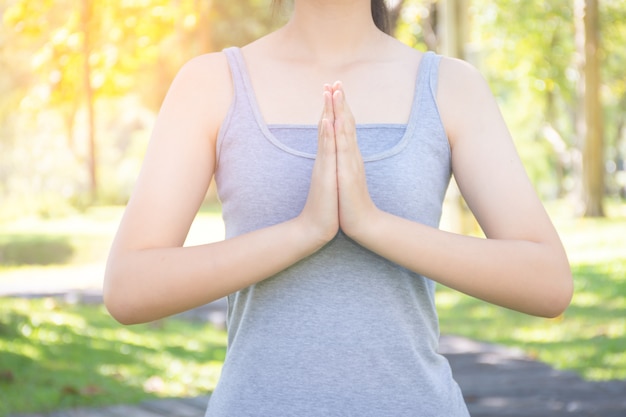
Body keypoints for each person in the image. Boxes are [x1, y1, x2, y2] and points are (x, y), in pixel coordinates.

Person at [104, 0, 573, 415]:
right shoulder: (210, 83)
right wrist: (304, 231)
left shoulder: (452, 86)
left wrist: (372, 224)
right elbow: (129, 287)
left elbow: (547, 281)